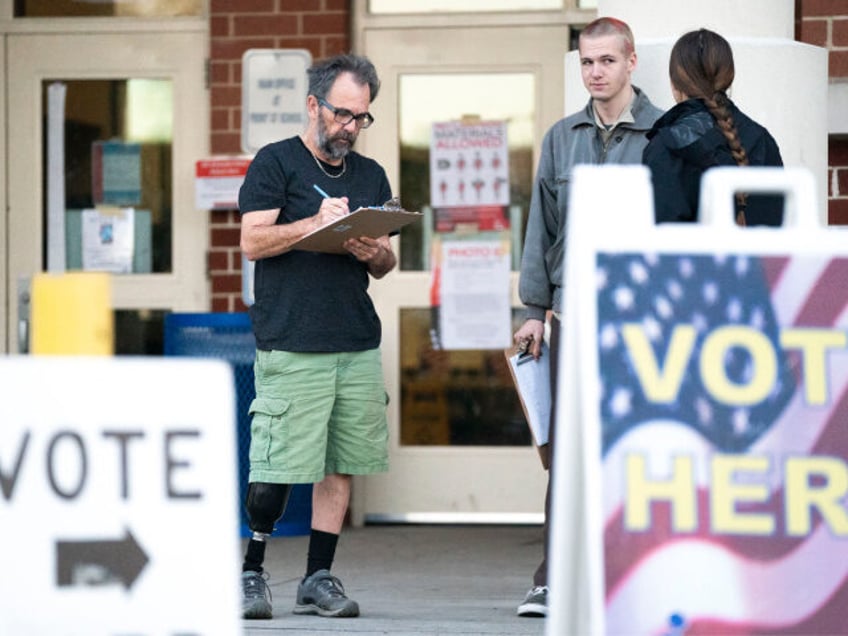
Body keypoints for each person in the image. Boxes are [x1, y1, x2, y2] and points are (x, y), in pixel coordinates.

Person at [237, 53, 397, 621]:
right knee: (276, 464)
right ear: (314, 105)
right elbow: (253, 243)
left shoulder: (372, 175)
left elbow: (386, 264)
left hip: (353, 339)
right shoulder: (275, 162)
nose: (350, 127)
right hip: (291, 337)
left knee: (340, 462)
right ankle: (252, 574)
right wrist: (315, 225)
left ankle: (317, 576)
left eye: (361, 118)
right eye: (342, 114)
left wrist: (374, 249)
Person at [512, 17, 662, 618]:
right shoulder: (559, 137)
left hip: (639, 319)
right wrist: (532, 311)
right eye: (586, 62)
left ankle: (634, 574)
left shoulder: (664, 133)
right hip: (572, 317)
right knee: (568, 455)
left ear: (631, 63)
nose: (595, 72)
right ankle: (552, 579)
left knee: (637, 450)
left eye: (606, 61)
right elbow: (540, 228)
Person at [643, 28, 784, 226]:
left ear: (674, 83)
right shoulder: (762, 139)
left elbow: (660, 241)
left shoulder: (665, 147)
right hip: (760, 257)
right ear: (729, 78)